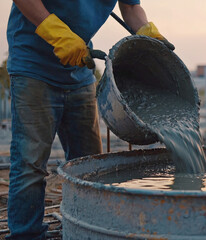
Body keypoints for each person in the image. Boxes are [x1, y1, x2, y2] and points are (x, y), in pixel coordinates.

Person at [6, 0, 173, 239]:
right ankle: (26, 235)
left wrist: (148, 32)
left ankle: (87, 229)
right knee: (30, 164)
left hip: (79, 69)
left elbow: (131, 7)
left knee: (90, 164)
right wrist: (56, 33)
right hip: (34, 67)